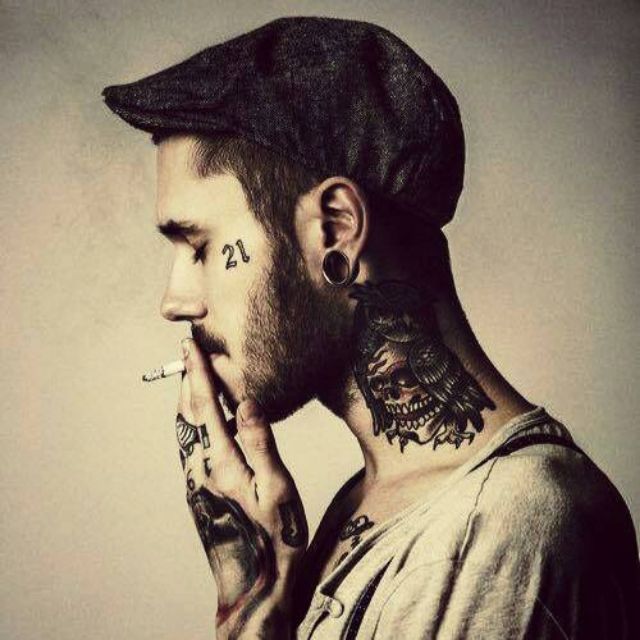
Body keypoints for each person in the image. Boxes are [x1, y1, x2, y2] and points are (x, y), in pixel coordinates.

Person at [102, 16, 639, 640]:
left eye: (199, 247)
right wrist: (254, 605)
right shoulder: (372, 504)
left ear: (335, 230)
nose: (173, 302)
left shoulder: (498, 537)